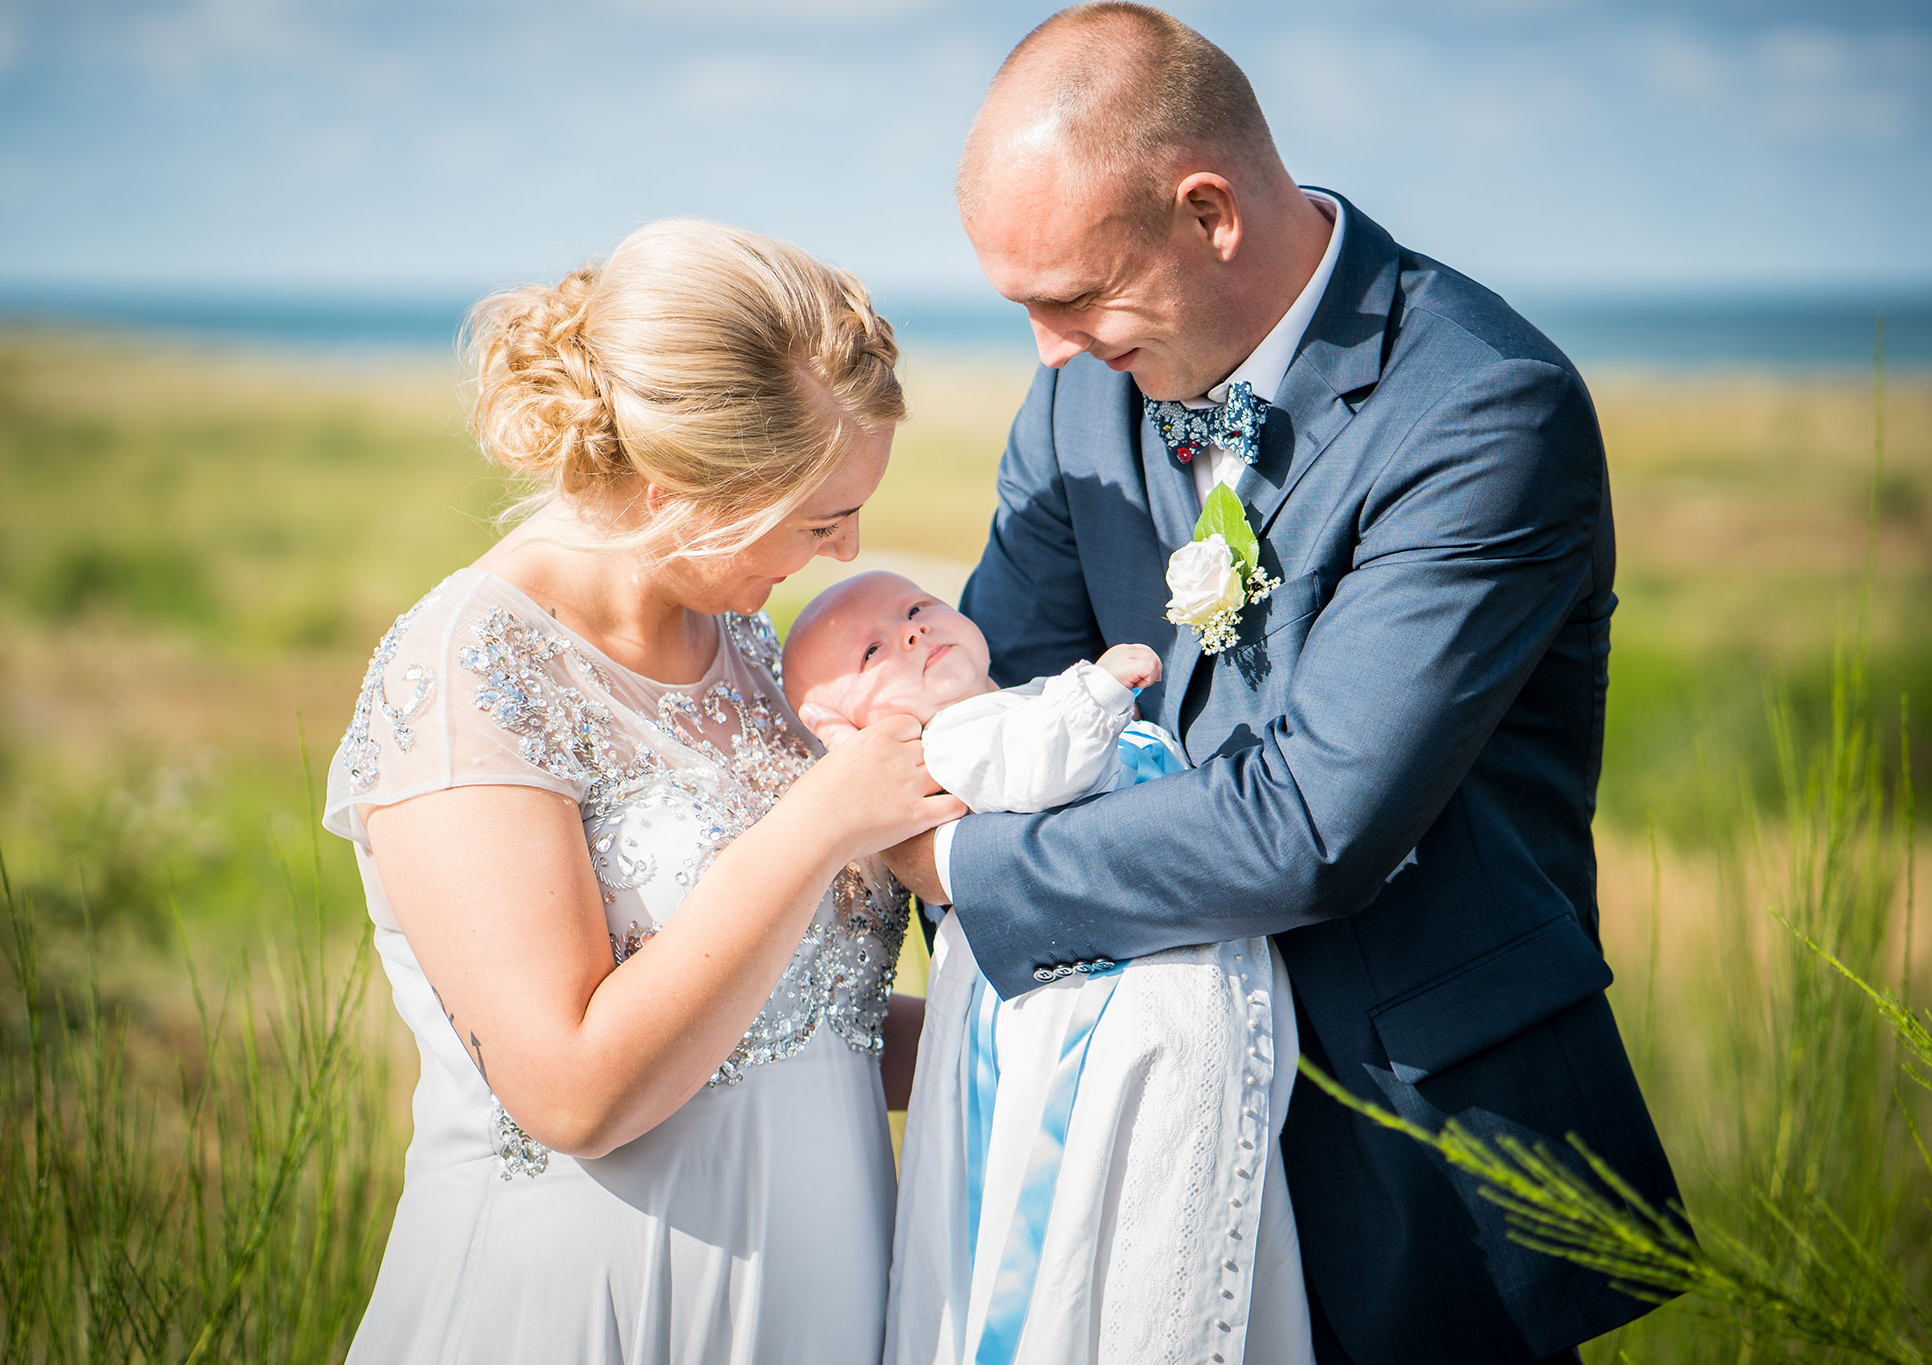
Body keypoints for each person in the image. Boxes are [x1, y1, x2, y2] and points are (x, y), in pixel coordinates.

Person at [881, 6, 1681, 1363]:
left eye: (1074, 295)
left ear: (1209, 212)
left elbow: (1314, 825)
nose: (1049, 350)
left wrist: (956, 865)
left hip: (1403, 1146)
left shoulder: (1487, 412)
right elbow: (979, 712)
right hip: (1104, 1142)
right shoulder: (1081, 400)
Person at [321, 219, 964, 1365]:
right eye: (818, 518)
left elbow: (809, 1022)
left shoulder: (752, 651)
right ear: (680, 490)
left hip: (822, 1299)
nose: (845, 551)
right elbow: (572, 1093)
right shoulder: (473, 668)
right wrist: (822, 822)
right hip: (597, 1308)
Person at [783, 569, 1304, 1362]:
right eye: (875, 648)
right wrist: (1097, 690)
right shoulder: (952, 743)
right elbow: (1036, 766)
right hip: (1090, 1003)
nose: (915, 632)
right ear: (842, 726)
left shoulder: (1017, 702)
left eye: (919, 608)